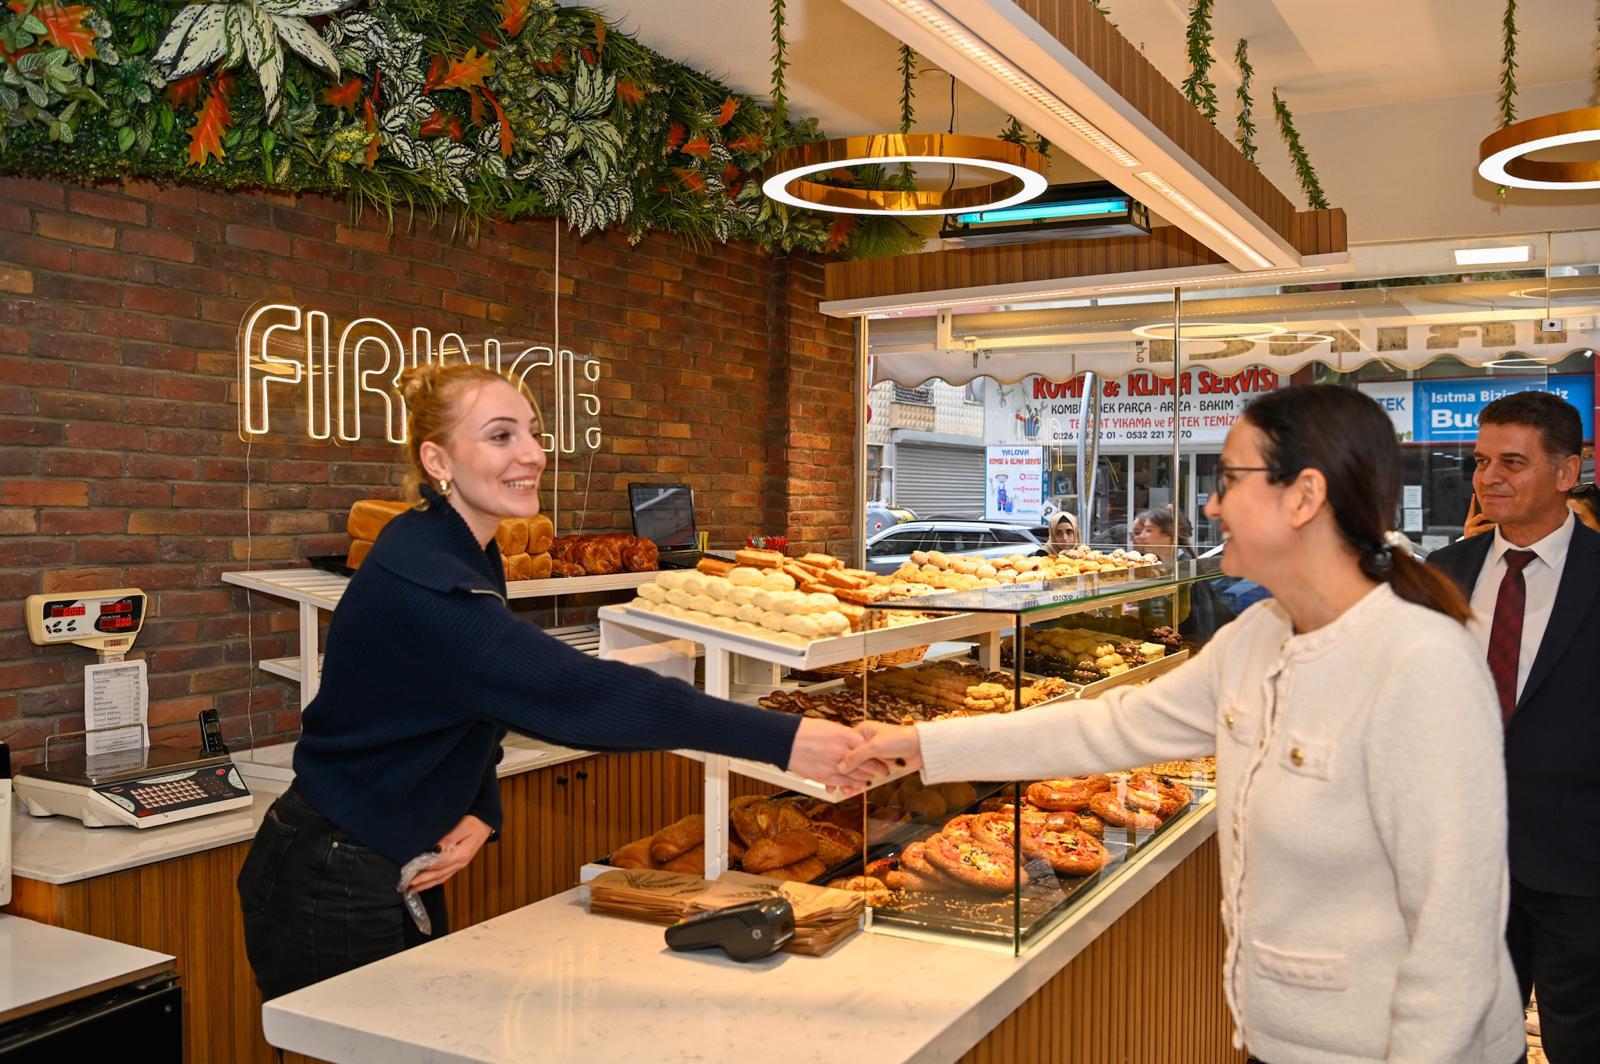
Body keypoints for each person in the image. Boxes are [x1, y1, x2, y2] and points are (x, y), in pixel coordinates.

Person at [842, 385, 1524, 1064]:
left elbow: (1456, 933)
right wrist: (916, 745)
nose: (1211, 503)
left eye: (1230, 480)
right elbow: (1107, 728)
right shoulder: (1258, 636)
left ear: (1305, 496)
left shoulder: (1422, 663)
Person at [237, 362, 873, 1001]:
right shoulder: (429, 580)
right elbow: (582, 695)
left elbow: (472, 697)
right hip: (331, 869)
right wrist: (786, 738)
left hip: (389, 852)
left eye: (533, 433)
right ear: (439, 459)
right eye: (501, 436)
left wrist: (480, 806)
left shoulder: (452, 544)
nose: (533, 455)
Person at [1426, 392, 1600, 1063]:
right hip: (1463, 866)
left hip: (1580, 869)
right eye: (1480, 460)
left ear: (1566, 471)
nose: (1487, 476)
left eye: (1512, 462)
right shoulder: (1443, 574)